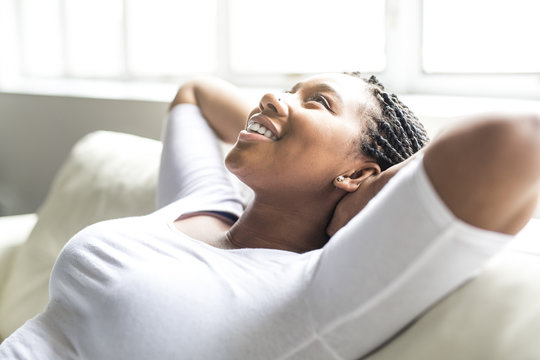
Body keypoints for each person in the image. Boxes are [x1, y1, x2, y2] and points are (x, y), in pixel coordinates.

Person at [1, 72, 538, 359]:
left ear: (359, 174)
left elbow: (510, 145)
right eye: (288, 88)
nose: (272, 97)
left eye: (319, 102)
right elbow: (196, 93)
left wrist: (363, 196)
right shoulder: (206, 201)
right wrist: (283, 122)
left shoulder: (314, 292)